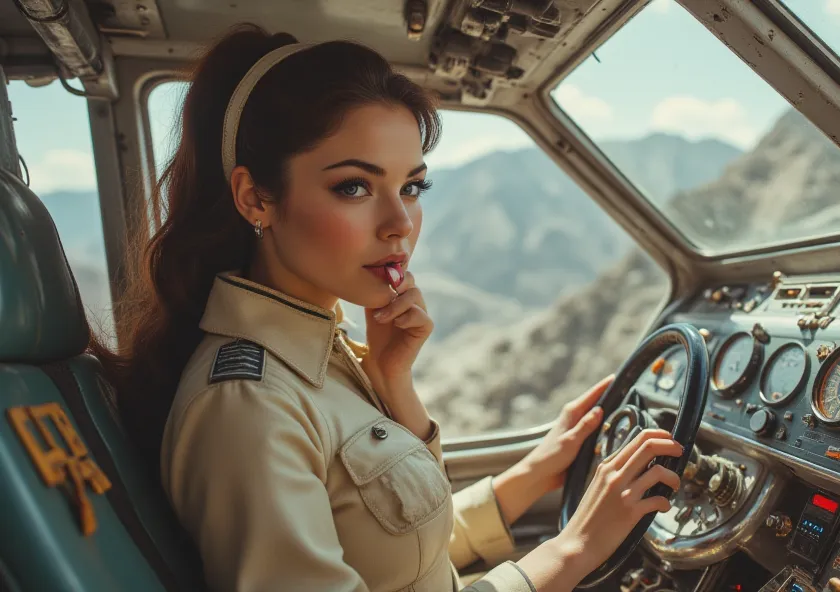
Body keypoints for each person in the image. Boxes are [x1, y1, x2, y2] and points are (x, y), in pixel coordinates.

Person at [92, 23, 685, 592]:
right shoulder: (248, 405)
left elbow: (394, 561)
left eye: (411, 186)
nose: (400, 223)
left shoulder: (326, 356)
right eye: (354, 186)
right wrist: (572, 549)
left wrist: (508, 468)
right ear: (256, 198)